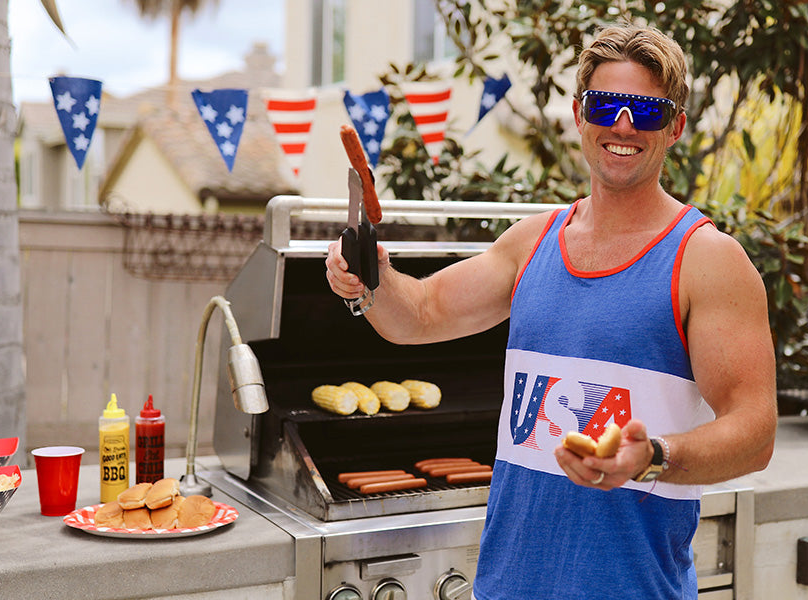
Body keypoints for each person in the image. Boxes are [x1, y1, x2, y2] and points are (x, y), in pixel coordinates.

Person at [326, 24, 776, 600]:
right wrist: (367, 277)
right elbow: (420, 313)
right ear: (579, 115)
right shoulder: (531, 243)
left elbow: (754, 432)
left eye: (646, 111)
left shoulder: (707, 260)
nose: (623, 125)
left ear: (676, 128)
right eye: (607, 104)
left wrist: (654, 456)